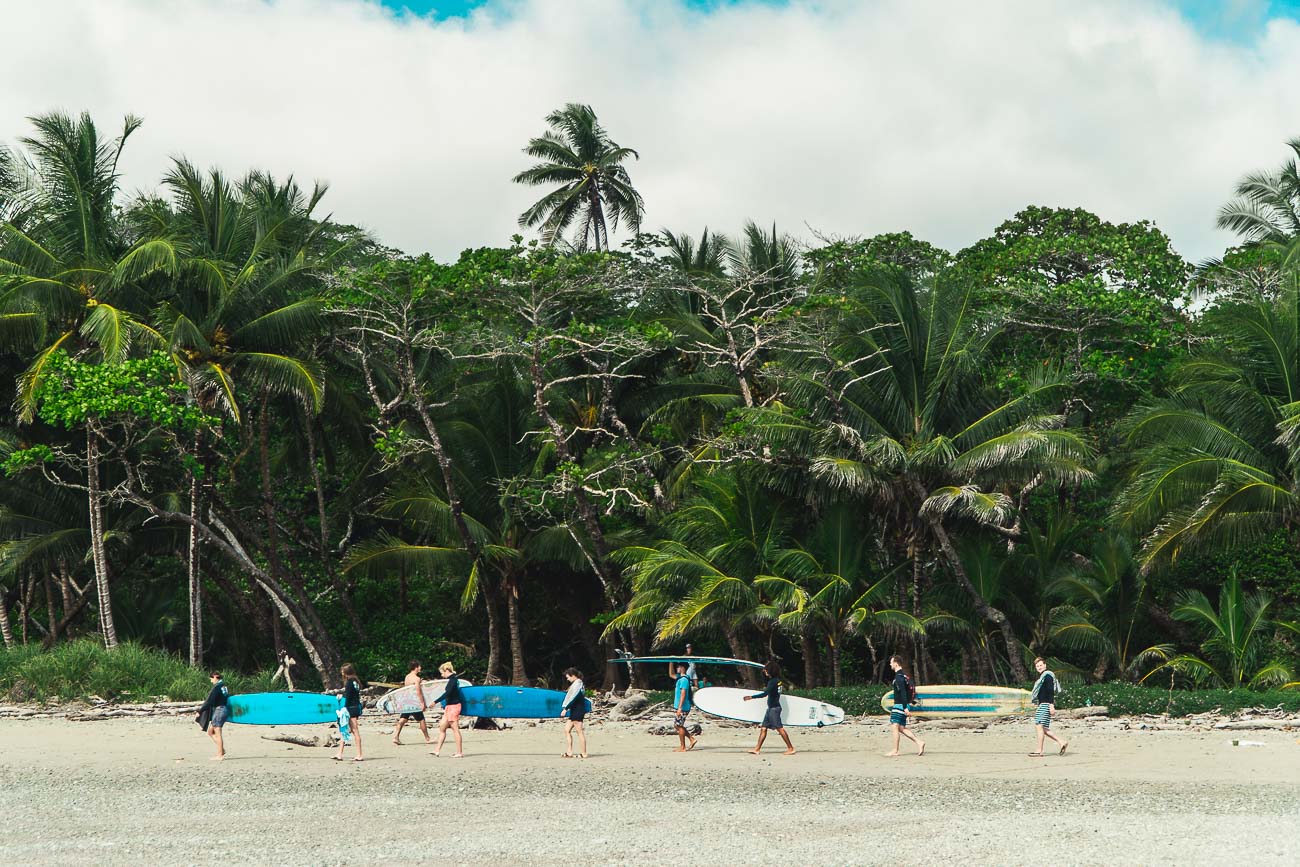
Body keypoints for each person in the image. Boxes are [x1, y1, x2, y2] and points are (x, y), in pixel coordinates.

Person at [742, 660, 795, 755]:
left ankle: (791, 748)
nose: (765, 671)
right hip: (771, 708)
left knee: (780, 728)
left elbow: (765, 694)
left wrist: (751, 697)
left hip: (774, 709)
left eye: (766, 670)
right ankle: (757, 749)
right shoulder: (778, 681)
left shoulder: (773, 682)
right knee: (763, 728)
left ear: (770, 671)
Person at [885, 656, 925, 757]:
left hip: (899, 706)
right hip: (904, 705)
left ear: (896, 663)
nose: (890, 664)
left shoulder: (899, 678)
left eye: (891, 662)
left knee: (894, 726)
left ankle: (895, 750)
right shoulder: (904, 676)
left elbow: (902, 692)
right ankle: (919, 742)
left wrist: (905, 708)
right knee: (901, 728)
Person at [1029, 657, 1068, 757]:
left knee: (1039, 726)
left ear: (1045, 665)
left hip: (1046, 704)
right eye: (1037, 666)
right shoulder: (1042, 677)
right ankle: (1061, 742)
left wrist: (1051, 705)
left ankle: (1039, 750)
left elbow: (1050, 691)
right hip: (1042, 704)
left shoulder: (1047, 676)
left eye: (1041, 665)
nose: (1039, 667)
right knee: (1043, 728)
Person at [392, 660, 432, 746]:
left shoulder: (407, 677)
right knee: (421, 719)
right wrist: (422, 703)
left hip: (406, 700)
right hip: (414, 702)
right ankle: (427, 738)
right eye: (419, 666)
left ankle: (395, 737)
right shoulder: (416, 679)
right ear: (416, 667)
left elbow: (407, 688)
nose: (420, 668)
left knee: (403, 719)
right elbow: (418, 691)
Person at [432, 661, 465, 758]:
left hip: (453, 707)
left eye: (442, 673)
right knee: (442, 727)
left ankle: (459, 752)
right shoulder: (453, 680)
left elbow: (447, 693)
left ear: (446, 670)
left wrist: (435, 701)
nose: (442, 675)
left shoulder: (453, 680)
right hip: (449, 707)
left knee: (455, 729)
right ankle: (437, 750)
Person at [334, 662, 365, 762]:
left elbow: (348, 697)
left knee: (354, 731)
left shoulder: (349, 682)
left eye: (342, 671)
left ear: (345, 672)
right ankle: (339, 753)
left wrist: (343, 706)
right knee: (345, 730)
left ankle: (359, 754)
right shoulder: (356, 681)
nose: (341, 672)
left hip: (351, 709)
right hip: (356, 707)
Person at [196, 670, 230, 761]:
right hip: (222, 710)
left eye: (211, 678)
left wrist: (200, 711)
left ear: (215, 676)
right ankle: (221, 750)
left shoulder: (217, 687)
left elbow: (210, 701)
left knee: (217, 733)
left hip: (220, 710)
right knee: (210, 732)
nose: (211, 681)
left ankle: (220, 755)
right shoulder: (224, 686)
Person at [560, 667, 588, 759]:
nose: (567, 679)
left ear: (573, 676)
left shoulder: (578, 684)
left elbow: (574, 697)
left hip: (578, 710)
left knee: (579, 732)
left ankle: (584, 753)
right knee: (567, 730)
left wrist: (565, 709)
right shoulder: (576, 684)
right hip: (574, 710)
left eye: (568, 677)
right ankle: (569, 752)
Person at [671, 661, 697, 752]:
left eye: (678, 666)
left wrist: (680, 708)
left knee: (679, 725)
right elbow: (671, 674)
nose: (677, 668)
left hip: (683, 707)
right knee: (677, 725)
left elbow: (683, 694)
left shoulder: (684, 680)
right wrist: (670, 662)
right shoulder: (680, 678)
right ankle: (691, 739)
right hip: (680, 706)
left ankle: (683, 747)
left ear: (682, 668)